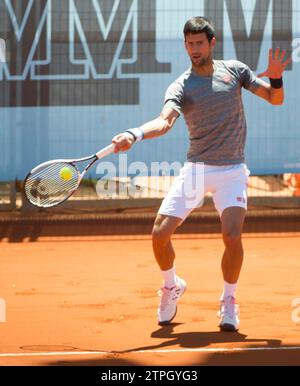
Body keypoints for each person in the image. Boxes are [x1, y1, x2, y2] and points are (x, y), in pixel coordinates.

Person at [111, 17, 291, 331]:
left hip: (232, 169)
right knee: (159, 234)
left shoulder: (235, 71)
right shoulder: (181, 85)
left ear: (212, 43)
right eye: (189, 44)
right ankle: (171, 285)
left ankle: (229, 301)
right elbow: (165, 122)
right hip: (196, 168)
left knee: (232, 235)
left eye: (199, 43)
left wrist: (277, 79)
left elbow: (275, 99)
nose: (194, 50)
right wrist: (135, 133)